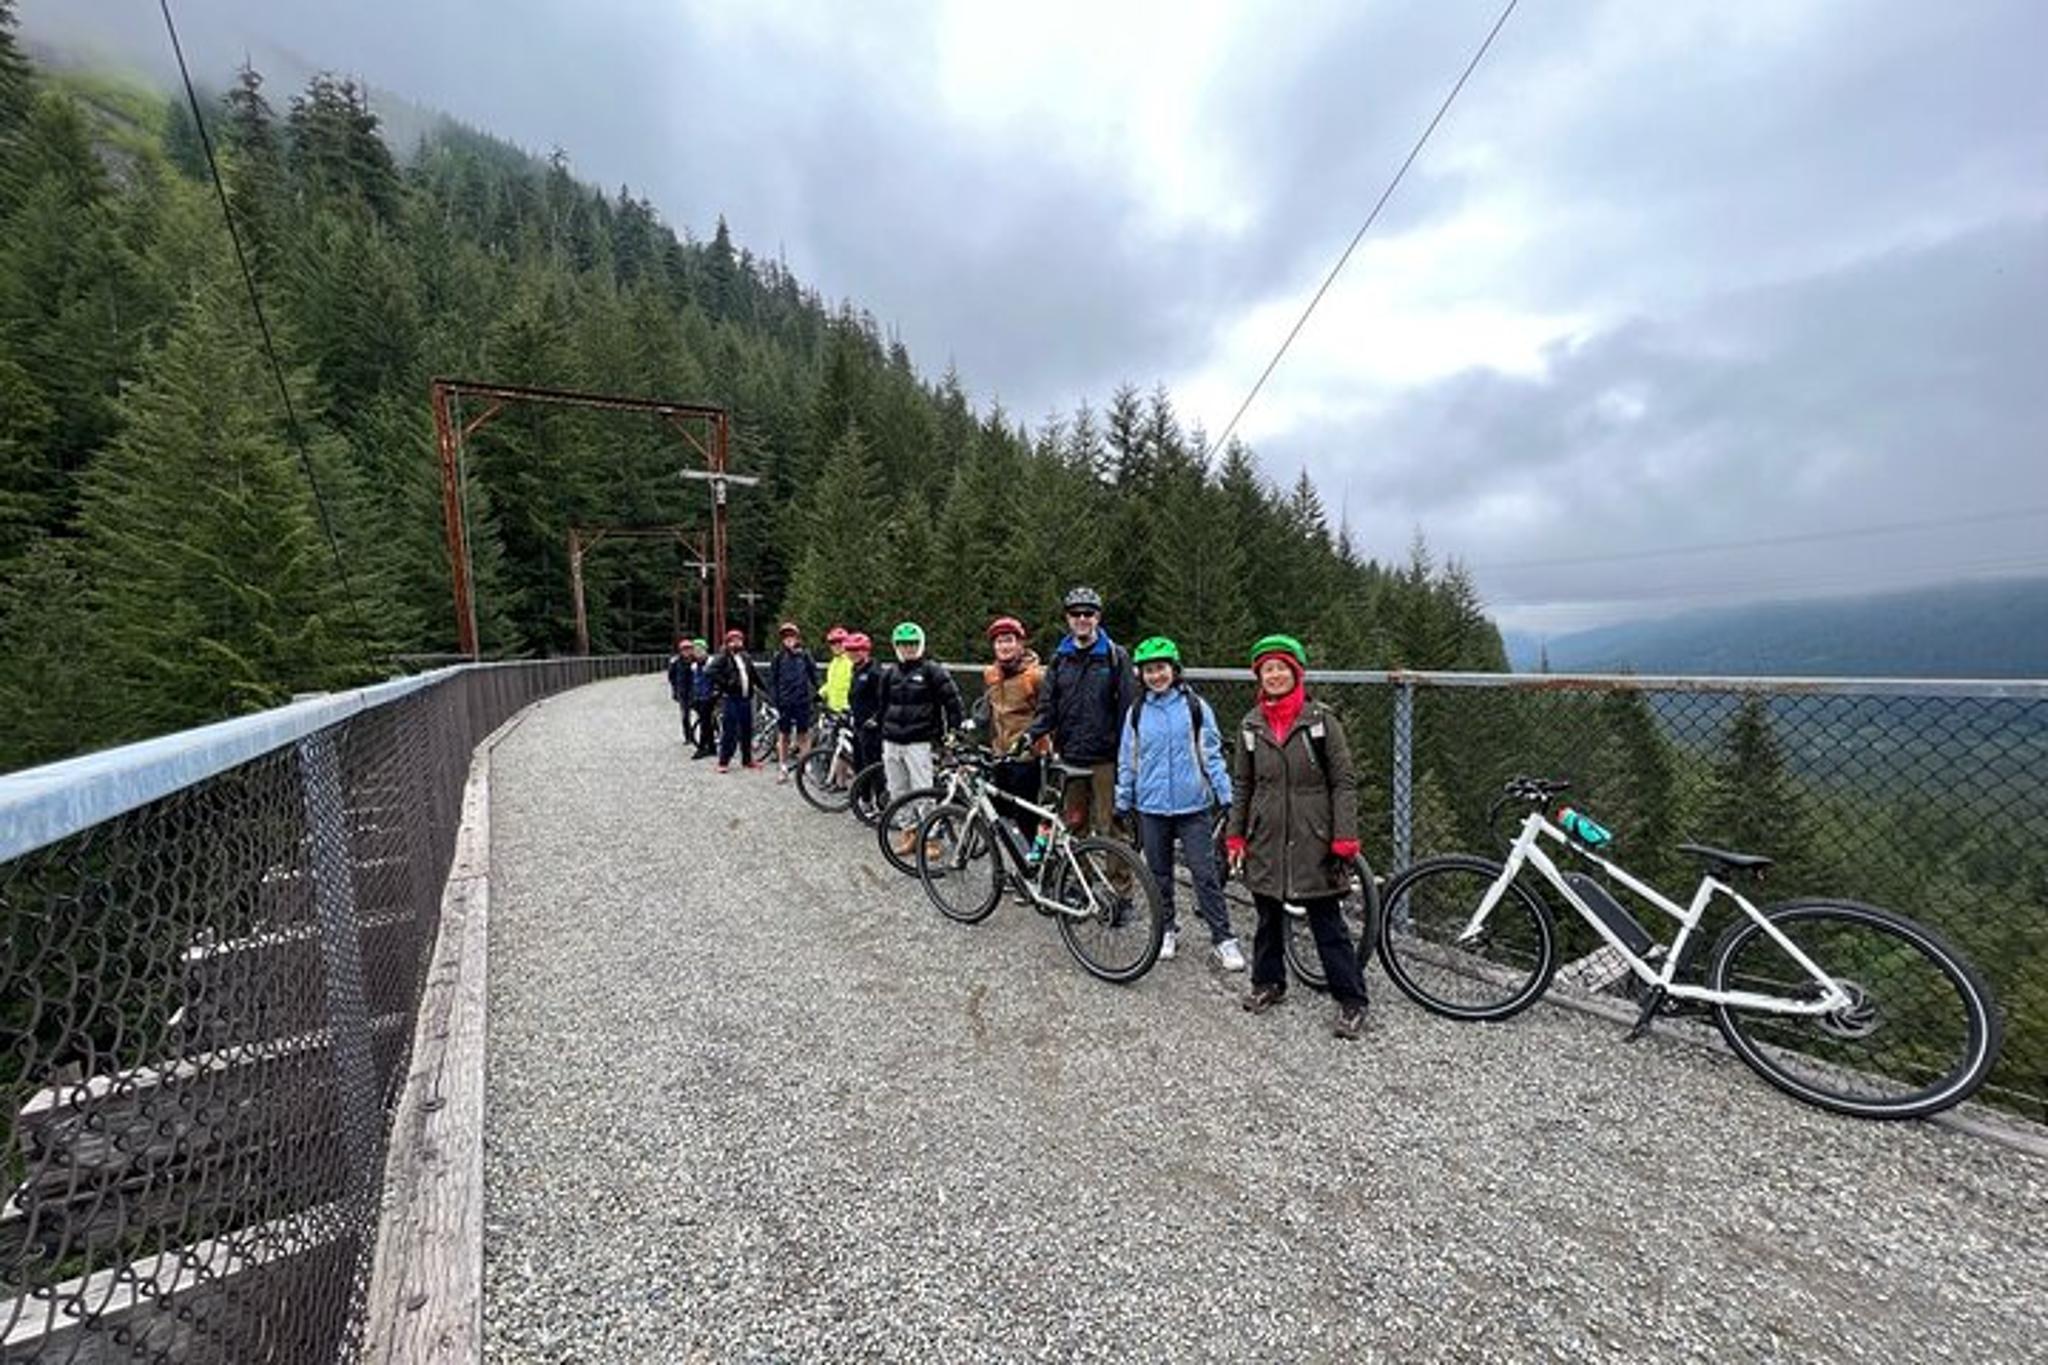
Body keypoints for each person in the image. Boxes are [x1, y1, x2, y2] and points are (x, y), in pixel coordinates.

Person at [1225, 634, 1370, 1038]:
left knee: (1328, 925)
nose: (1273, 675)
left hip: (1314, 836)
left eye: (1280, 668)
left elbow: (1343, 782)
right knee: (1268, 918)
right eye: (1266, 669)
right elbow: (1243, 783)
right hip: (1266, 835)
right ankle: (1268, 983)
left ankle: (1352, 1000)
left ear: (1296, 673)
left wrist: (1344, 836)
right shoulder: (1251, 724)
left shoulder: (1321, 722)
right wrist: (1236, 835)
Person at [1114, 636, 1242, 970]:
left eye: (1162, 668)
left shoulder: (1195, 707)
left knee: (1205, 874)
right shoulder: (1137, 712)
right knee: (1159, 875)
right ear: (1141, 675)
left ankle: (1223, 938)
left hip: (1192, 805)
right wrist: (1123, 798)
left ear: (1175, 670)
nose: (1156, 676)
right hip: (1151, 806)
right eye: (1149, 670)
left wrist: (1227, 795)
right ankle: (1167, 929)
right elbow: (1129, 757)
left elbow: (1210, 754)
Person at [1025, 585, 1136, 860]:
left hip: (1106, 759)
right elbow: (1047, 707)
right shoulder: (1060, 659)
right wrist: (1030, 736)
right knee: (1074, 825)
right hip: (1071, 756)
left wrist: (1128, 754)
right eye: (1076, 613)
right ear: (1068, 618)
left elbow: (1128, 709)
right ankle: (1077, 886)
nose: (1082, 618)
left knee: (1112, 828)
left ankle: (1120, 893)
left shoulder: (1115, 656)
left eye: (1089, 613)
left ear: (1098, 618)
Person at [873, 621, 964, 857]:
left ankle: (931, 839)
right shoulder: (889, 673)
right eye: (903, 645)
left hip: (920, 741)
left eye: (912, 644)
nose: (908, 649)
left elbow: (953, 702)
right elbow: (882, 706)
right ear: (896, 647)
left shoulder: (933, 671)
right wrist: (878, 726)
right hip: (892, 740)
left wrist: (955, 730)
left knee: (923, 791)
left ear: (921, 644)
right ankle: (909, 835)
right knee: (897, 791)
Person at [980, 616, 1044, 844]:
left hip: (1027, 756)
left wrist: (1039, 745)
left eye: (1008, 640)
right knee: (1002, 813)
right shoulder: (991, 675)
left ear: (1020, 643)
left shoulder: (1034, 676)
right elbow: (989, 711)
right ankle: (1017, 862)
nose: (1004, 646)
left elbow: (1047, 714)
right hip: (1000, 753)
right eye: (998, 642)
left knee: (1027, 815)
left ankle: (1036, 866)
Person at [706, 628, 766, 773]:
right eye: (733, 641)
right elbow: (709, 671)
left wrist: (766, 689)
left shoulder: (745, 656)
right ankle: (723, 762)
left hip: (746, 698)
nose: (736, 643)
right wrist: (726, 684)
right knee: (730, 731)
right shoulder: (723, 657)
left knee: (747, 730)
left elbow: (754, 675)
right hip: (732, 698)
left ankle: (747, 760)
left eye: (739, 640)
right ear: (727, 643)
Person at [768, 621, 820, 783]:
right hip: (784, 703)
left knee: (803, 735)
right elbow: (773, 681)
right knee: (784, 736)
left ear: (797, 638)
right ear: (782, 639)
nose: (789, 639)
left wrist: (818, 694)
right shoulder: (778, 657)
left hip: (802, 701)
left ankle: (806, 766)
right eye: (785, 636)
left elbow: (814, 677)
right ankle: (783, 768)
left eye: (792, 636)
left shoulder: (805, 655)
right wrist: (775, 702)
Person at [845, 632, 883, 775]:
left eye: (857, 650)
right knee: (859, 763)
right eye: (849, 650)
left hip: (872, 728)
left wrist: (876, 718)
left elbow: (883, 699)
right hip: (858, 723)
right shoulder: (855, 669)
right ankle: (862, 796)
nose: (852, 654)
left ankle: (878, 796)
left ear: (866, 651)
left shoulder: (875, 672)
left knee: (872, 765)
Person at [687, 638, 717, 760]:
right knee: (707, 723)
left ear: (705, 650)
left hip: (709, 697)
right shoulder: (694, 666)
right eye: (695, 650)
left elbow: (718, 678)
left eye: (700, 650)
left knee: (705, 723)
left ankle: (702, 748)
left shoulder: (712, 662)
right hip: (699, 697)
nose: (697, 652)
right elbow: (694, 683)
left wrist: (716, 692)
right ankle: (711, 747)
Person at [665, 636, 697, 745]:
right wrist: (675, 691)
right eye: (685, 649)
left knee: (704, 714)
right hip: (683, 692)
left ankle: (706, 735)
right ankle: (688, 737)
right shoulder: (675, 662)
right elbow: (671, 677)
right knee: (685, 716)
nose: (687, 651)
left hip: (696, 691)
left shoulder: (697, 660)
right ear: (681, 650)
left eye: (689, 648)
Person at [821, 625, 854, 715]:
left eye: (840, 642)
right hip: (832, 709)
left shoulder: (851, 661)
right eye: (833, 643)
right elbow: (831, 683)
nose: (836, 646)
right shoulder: (833, 663)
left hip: (847, 710)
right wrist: (820, 694)